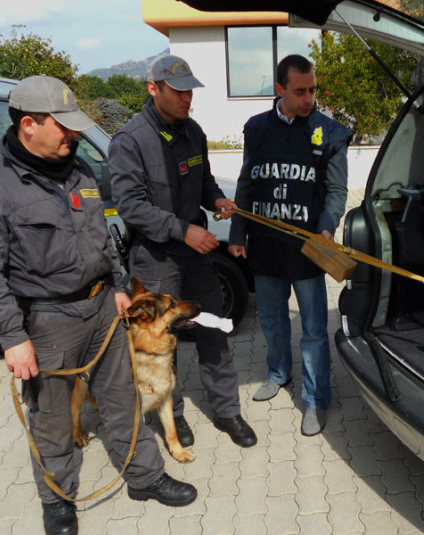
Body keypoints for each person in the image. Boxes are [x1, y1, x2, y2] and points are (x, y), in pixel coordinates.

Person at [0, 75, 197, 535]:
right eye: (62, 126)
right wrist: (12, 337)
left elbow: (102, 239)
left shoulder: (80, 171)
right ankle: (58, 500)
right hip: (46, 321)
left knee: (122, 398)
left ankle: (144, 477)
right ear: (29, 124)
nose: (73, 134)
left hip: (103, 307)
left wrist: (119, 284)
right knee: (51, 418)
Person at [108, 54, 257, 449]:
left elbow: (204, 180)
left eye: (190, 90)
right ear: (154, 89)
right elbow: (131, 206)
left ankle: (227, 411)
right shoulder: (130, 141)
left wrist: (218, 199)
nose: (187, 98)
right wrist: (182, 230)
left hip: (194, 256)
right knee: (161, 345)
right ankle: (171, 417)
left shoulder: (194, 132)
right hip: (156, 258)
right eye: (178, 91)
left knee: (213, 330)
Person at [228, 55, 352, 436]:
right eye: (300, 91)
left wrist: (328, 228)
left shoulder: (328, 133)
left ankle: (315, 400)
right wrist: (237, 233)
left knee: (314, 329)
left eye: (313, 89)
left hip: (308, 250)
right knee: (271, 319)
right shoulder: (256, 129)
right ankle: (278, 372)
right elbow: (247, 183)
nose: (308, 98)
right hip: (265, 247)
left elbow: (336, 190)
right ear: (279, 89)